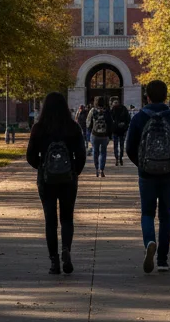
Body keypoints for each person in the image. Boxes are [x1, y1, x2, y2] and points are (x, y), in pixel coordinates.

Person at [125, 79, 170, 273]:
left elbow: (129, 148)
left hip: (146, 174)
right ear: (166, 96)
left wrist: (143, 165)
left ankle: (149, 241)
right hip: (168, 173)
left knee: (147, 213)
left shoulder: (138, 118)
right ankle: (162, 260)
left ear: (147, 97)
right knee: (165, 216)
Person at [26, 91, 88, 274]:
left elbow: (30, 156)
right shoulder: (73, 127)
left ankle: (54, 261)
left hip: (46, 181)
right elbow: (82, 155)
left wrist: (42, 167)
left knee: (50, 220)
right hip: (68, 179)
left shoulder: (39, 128)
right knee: (67, 218)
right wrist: (74, 171)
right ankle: (66, 250)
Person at [86, 96, 114, 176]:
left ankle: (96, 169)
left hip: (95, 134)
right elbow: (110, 123)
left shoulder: (92, 111)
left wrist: (89, 132)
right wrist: (109, 135)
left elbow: (88, 123)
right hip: (104, 135)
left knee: (95, 151)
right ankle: (101, 169)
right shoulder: (106, 111)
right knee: (103, 152)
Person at [109, 96, 131, 166]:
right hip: (122, 130)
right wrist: (125, 125)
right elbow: (128, 119)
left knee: (116, 145)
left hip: (115, 130)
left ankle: (117, 159)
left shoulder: (112, 110)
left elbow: (109, 120)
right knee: (121, 145)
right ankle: (120, 158)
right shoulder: (124, 109)